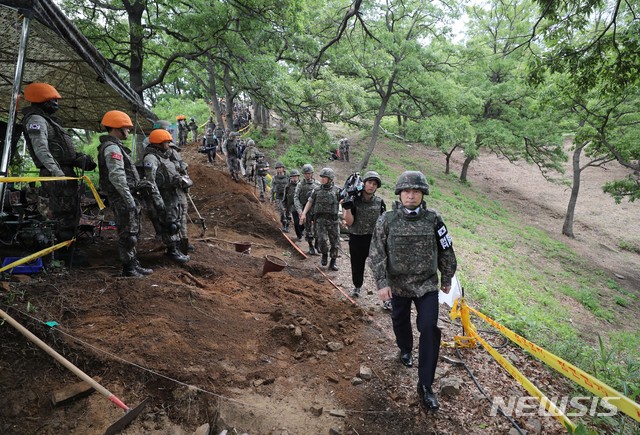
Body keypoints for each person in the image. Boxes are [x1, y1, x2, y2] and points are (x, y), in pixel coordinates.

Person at [368, 170, 457, 411]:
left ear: (422, 194)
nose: (411, 195)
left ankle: (425, 385)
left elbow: (446, 248)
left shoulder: (434, 219)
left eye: (416, 191)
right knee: (399, 321)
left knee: (429, 328)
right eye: (407, 191)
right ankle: (405, 348)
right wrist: (381, 282)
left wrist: (447, 275)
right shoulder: (386, 220)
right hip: (398, 285)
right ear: (400, 193)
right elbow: (376, 253)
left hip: (427, 284)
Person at [21, 83, 97, 246]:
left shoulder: (49, 121)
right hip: (54, 174)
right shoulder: (36, 119)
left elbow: (61, 149)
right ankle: (57, 251)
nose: (57, 103)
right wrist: (56, 171)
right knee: (57, 214)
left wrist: (78, 159)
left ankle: (68, 246)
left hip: (64, 172)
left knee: (70, 212)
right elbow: (40, 148)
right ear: (42, 100)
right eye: (53, 100)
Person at [97, 110, 153, 277]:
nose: (128, 131)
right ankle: (128, 268)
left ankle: (133, 263)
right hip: (122, 196)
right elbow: (117, 176)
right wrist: (128, 199)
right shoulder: (112, 148)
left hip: (126, 194)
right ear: (117, 128)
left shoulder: (116, 146)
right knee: (128, 234)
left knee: (133, 232)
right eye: (126, 128)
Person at [142, 129, 191, 264]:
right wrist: (158, 201)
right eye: (166, 142)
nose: (169, 145)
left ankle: (175, 249)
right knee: (170, 224)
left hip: (171, 194)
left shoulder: (164, 156)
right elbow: (150, 182)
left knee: (174, 222)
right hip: (163, 196)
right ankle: (172, 250)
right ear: (159, 143)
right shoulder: (151, 158)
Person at [343, 171, 386, 298]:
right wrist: (347, 206)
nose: (371, 186)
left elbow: (384, 222)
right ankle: (357, 286)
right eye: (369, 183)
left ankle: (385, 295)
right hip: (356, 238)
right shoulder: (354, 200)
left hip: (374, 240)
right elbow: (349, 222)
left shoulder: (379, 202)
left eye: (374, 184)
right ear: (364, 183)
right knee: (357, 265)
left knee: (380, 268)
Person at [300, 167, 341, 270]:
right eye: (321, 177)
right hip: (320, 220)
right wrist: (304, 213)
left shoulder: (337, 190)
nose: (322, 179)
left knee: (335, 242)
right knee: (322, 240)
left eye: (324, 177)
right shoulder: (317, 189)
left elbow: (344, 203)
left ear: (330, 178)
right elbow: (310, 201)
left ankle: (333, 261)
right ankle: (324, 254)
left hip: (333, 220)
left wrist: (344, 217)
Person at [294, 164, 320, 255]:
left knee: (318, 229)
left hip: (316, 209)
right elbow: (296, 197)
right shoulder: (300, 185)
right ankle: (310, 246)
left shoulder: (317, 184)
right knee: (308, 229)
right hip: (305, 209)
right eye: (305, 174)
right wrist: (300, 211)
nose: (307, 175)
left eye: (309, 173)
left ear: (312, 174)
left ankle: (317, 244)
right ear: (303, 174)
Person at [283, 169, 303, 240]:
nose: (294, 178)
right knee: (296, 222)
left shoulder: (302, 185)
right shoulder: (288, 186)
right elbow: (285, 196)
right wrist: (285, 205)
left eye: (295, 176)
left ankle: (301, 231)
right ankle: (299, 235)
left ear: (298, 177)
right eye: (292, 177)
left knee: (303, 222)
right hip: (293, 207)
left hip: (302, 207)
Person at [271, 161, 289, 230]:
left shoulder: (287, 177)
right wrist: (271, 199)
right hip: (279, 196)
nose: (279, 169)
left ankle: (287, 224)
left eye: (280, 168)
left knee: (288, 212)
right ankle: (284, 224)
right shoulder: (274, 178)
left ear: (283, 168)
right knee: (282, 211)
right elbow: (272, 189)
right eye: (277, 168)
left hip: (287, 197)